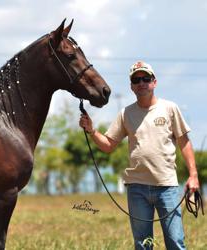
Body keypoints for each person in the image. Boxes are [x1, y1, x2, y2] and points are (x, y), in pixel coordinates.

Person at [79, 61, 199, 250]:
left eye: (146, 78)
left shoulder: (170, 108)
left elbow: (184, 142)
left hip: (166, 186)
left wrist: (193, 176)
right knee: (142, 245)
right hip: (137, 189)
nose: (141, 82)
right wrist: (92, 131)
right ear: (131, 86)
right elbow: (109, 145)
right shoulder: (125, 113)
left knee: (176, 242)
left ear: (154, 82)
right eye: (136, 79)